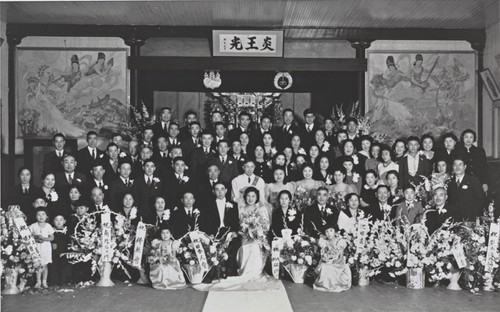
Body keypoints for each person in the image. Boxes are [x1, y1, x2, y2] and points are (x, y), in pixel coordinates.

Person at [314, 225, 351, 292]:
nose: (329, 233)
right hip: (326, 261)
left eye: (331, 231)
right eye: (327, 231)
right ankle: (324, 285)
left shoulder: (339, 241)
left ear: (335, 231)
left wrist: (334, 262)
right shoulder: (324, 242)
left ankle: (333, 285)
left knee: (331, 268)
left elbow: (341, 257)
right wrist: (326, 260)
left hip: (338, 263)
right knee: (323, 266)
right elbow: (323, 255)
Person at [148, 226, 187, 290]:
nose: (165, 235)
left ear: (170, 234)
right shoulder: (157, 243)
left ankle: (173, 283)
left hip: (171, 260)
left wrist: (170, 256)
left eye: (167, 233)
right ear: (160, 234)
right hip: (160, 260)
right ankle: (160, 283)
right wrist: (157, 258)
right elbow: (154, 253)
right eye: (163, 233)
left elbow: (173, 255)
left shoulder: (173, 243)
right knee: (160, 267)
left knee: (170, 267)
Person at [457, 129, 489, 194]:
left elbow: (484, 167)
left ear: (474, 139)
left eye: (471, 137)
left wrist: (485, 182)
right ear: (462, 138)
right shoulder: (458, 151)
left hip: (478, 181)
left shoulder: (480, 151)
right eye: (466, 137)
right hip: (464, 181)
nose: (468, 139)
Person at [30, 208, 55, 289]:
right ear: (35, 216)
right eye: (38, 214)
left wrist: (43, 238)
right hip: (36, 247)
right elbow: (29, 236)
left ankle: (44, 282)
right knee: (38, 265)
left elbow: (52, 238)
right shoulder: (33, 226)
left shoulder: (48, 226)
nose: (41, 216)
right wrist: (36, 238)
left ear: (46, 216)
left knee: (45, 265)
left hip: (46, 248)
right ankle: (38, 282)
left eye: (43, 214)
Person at [49, 214, 72, 285]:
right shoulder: (51, 230)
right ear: (53, 222)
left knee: (64, 265)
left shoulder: (67, 230)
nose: (59, 222)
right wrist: (52, 243)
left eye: (61, 220)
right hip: (54, 251)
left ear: (64, 221)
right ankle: (54, 281)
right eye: (56, 220)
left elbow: (70, 240)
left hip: (65, 251)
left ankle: (64, 281)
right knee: (54, 265)